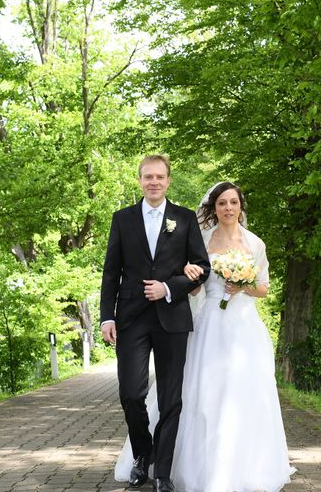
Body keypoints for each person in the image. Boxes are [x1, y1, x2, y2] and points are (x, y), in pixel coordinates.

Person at [114, 181, 295, 492]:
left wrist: (242, 286)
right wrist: (191, 278)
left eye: (233, 203)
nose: (228, 208)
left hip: (244, 328)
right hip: (210, 322)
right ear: (214, 208)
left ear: (241, 207)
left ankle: (244, 466)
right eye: (222, 203)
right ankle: (176, 463)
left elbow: (263, 288)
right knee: (203, 394)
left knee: (245, 395)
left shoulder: (255, 244)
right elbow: (195, 286)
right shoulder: (202, 239)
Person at [101, 155, 211, 492]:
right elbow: (111, 271)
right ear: (140, 180)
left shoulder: (184, 218)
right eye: (148, 176)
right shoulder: (122, 219)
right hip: (131, 318)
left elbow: (202, 267)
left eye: (159, 177)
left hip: (172, 316)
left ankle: (162, 472)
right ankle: (142, 455)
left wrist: (170, 287)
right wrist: (107, 315)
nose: (154, 182)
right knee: (131, 395)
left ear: (168, 180)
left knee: (171, 400)